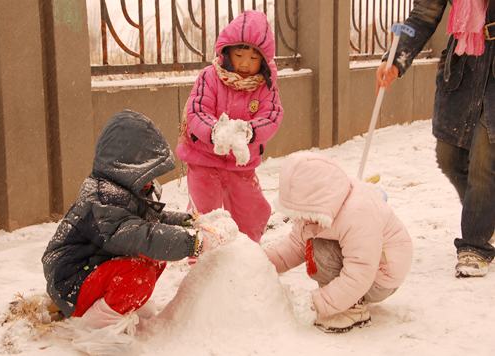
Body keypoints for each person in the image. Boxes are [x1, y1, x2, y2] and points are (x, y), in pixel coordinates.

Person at [41, 110, 221, 354]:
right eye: (147, 174)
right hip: (70, 279)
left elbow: (154, 221)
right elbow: (141, 236)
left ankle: (119, 309)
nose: (151, 181)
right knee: (140, 269)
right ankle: (97, 330)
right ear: (125, 168)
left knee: (155, 258)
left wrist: (191, 222)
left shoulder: (123, 189)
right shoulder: (104, 199)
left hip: (89, 269)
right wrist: (195, 243)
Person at [376, 0, 495, 277]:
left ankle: (475, 244)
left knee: (484, 162)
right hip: (463, 65)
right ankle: (486, 214)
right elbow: (424, 14)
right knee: (448, 156)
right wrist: (395, 58)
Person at [264, 152, 413, 333]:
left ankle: (352, 309)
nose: (301, 219)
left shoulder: (357, 215)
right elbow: (295, 244)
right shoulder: (321, 207)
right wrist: (263, 261)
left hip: (381, 276)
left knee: (320, 250)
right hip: (368, 269)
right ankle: (343, 300)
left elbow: (361, 270)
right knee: (315, 243)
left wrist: (319, 302)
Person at [176, 9, 284, 243]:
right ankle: (205, 262)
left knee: (251, 213)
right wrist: (215, 132)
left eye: (254, 58)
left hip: (241, 166)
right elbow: (197, 110)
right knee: (206, 217)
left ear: (264, 61)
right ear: (227, 52)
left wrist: (250, 131)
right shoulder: (210, 77)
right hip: (204, 161)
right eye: (239, 54)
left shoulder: (266, 86)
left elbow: (272, 115)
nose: (245, 63)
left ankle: (246, 255)